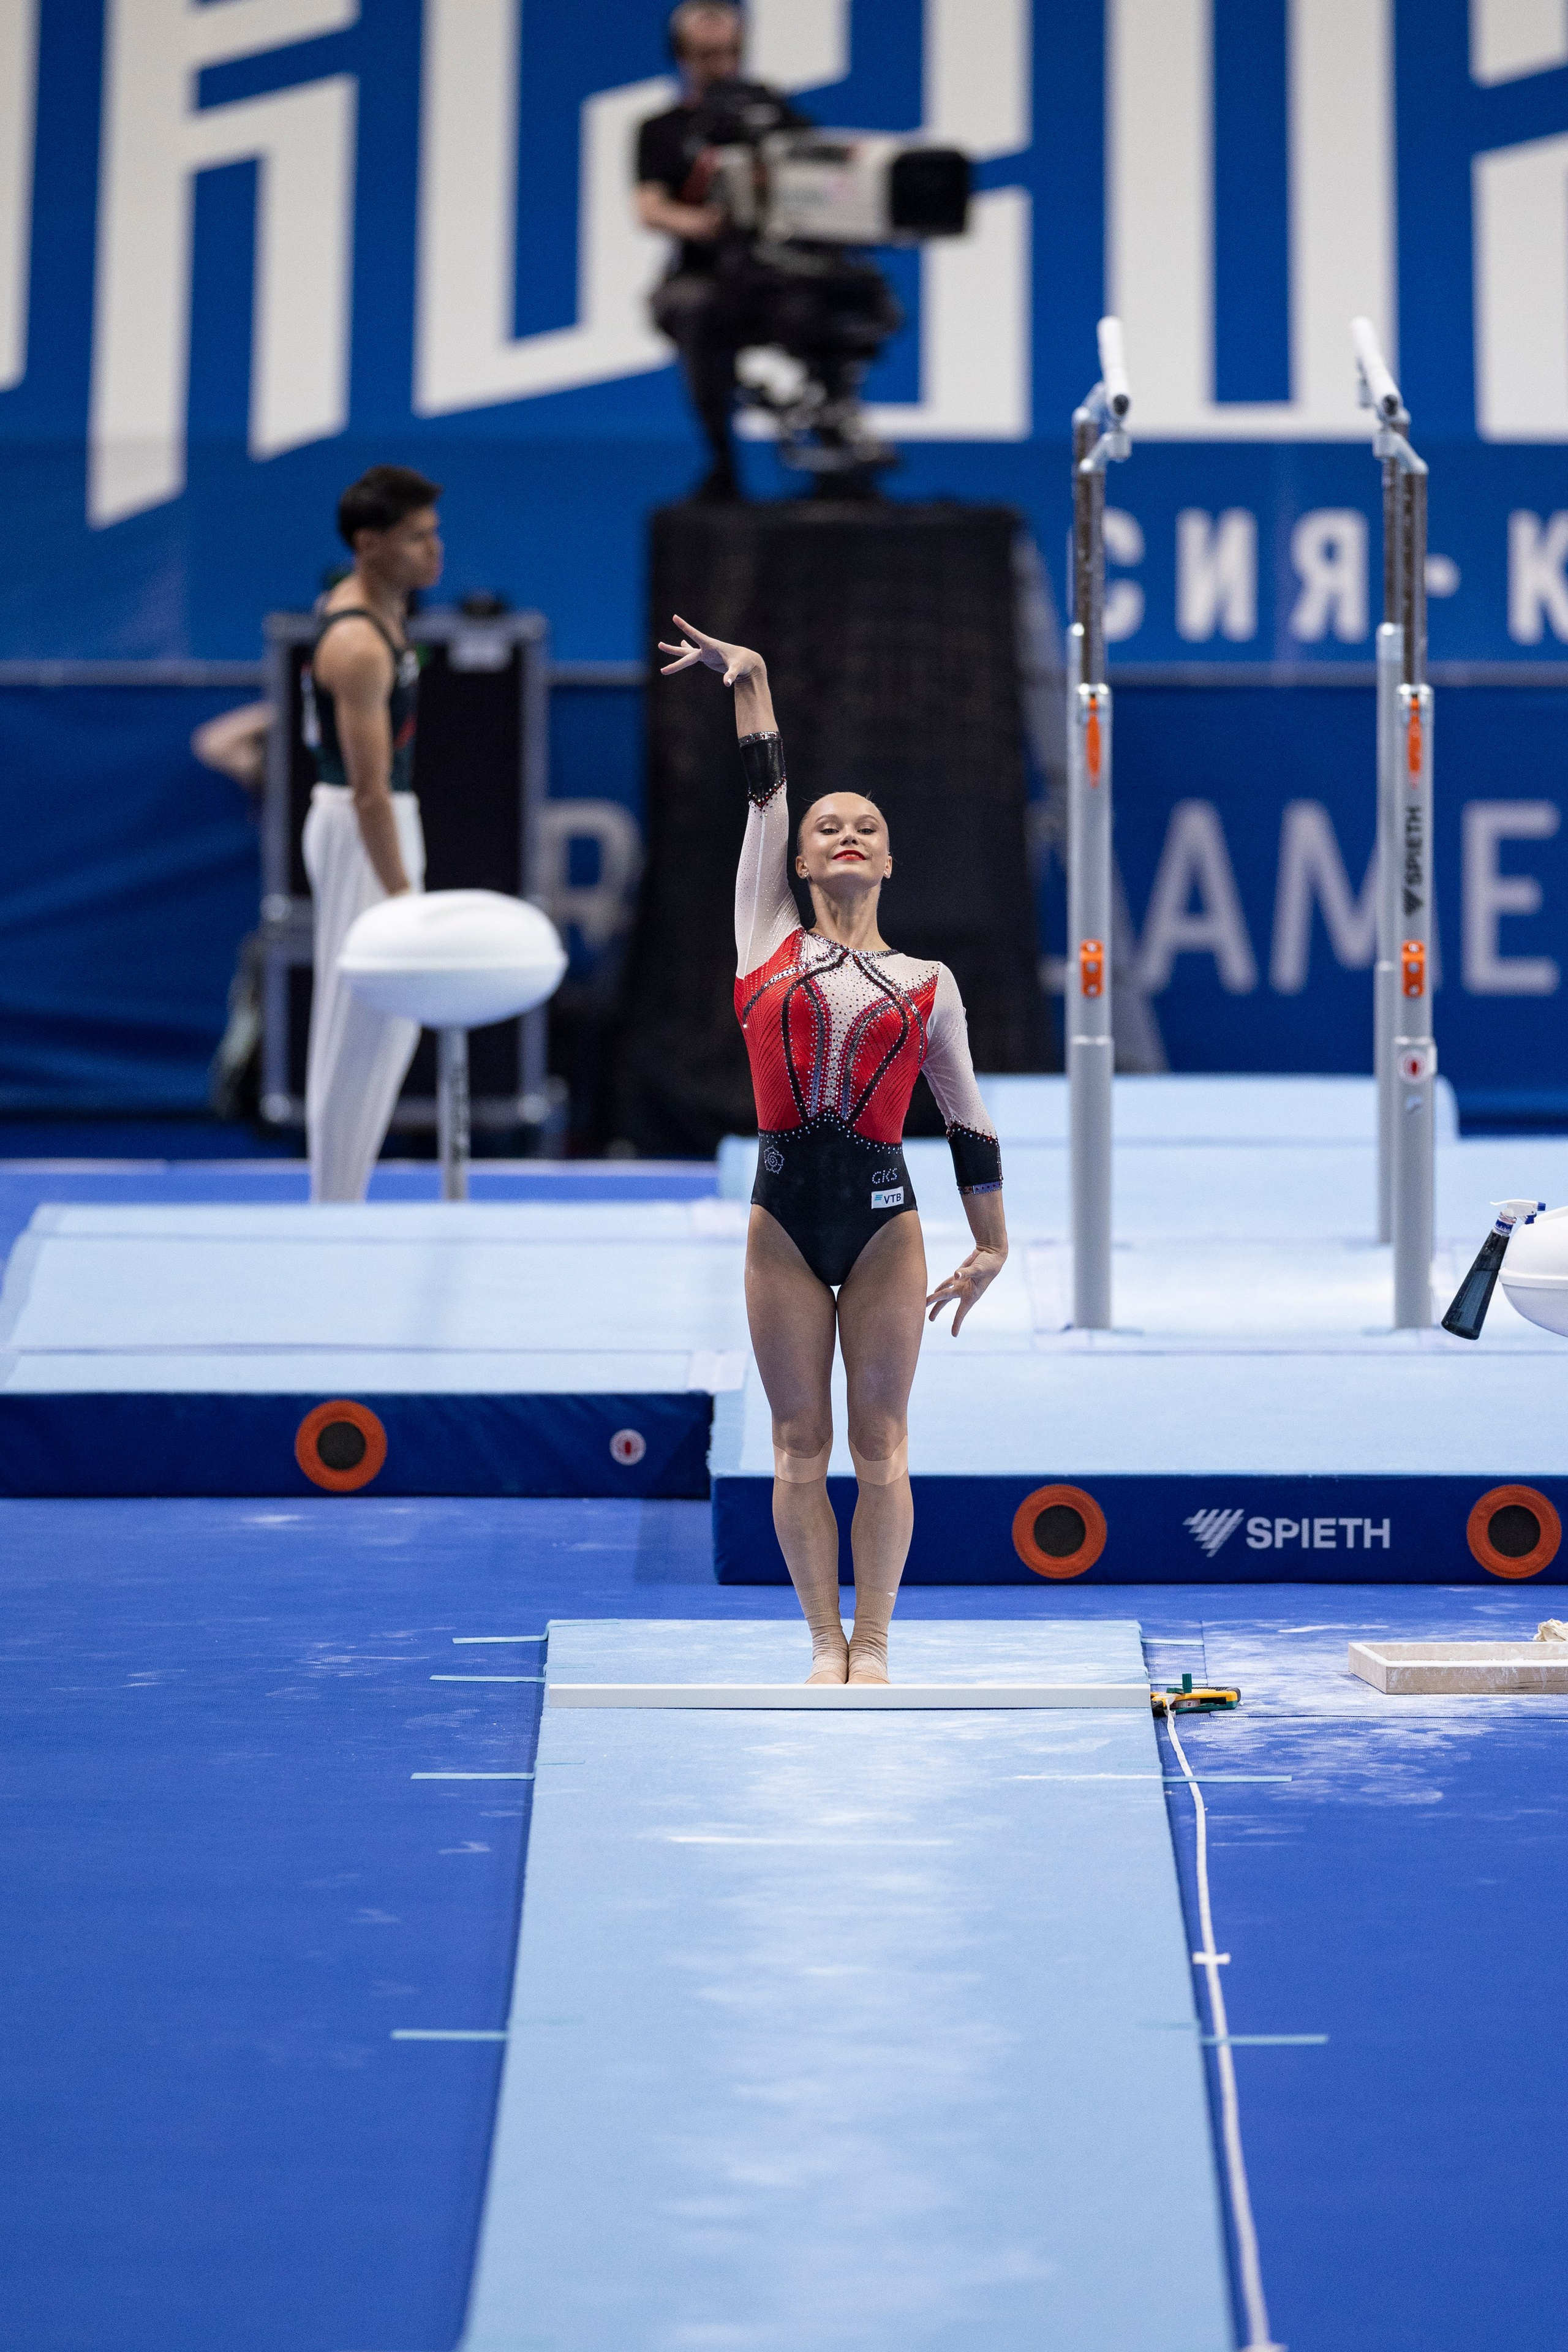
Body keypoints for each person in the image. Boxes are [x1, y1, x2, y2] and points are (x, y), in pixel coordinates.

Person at [659, 616, 1009, 1684]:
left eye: (865, 826)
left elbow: (969, 1119)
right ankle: (821, 1642)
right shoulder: (764, 937)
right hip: (781, 1224)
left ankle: (877, 1645)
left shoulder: (929, 983)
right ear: (801, 861)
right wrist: (751, 679)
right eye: (826, 828)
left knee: (882, 1446)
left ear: (892, 858)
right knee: (798, 1444)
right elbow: (764, 791)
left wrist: (991, 1247)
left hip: (882, 1224)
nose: (844, 834)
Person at [301, 466, 443, 1201]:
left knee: (384, 1027)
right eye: (416, 537)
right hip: (364, 823)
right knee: (360, 1020)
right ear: (368, 544)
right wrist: (399, 896)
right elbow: (366, 788)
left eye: (433, 532)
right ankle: (334, 1201)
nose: (435, 551)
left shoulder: (381, 602)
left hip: (381, 814)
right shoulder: (357, 643)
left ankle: (341, 1193)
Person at [634, 3, 809, 501]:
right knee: (694, 311)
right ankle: (723, 463)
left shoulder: (777, 116)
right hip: (707, 277)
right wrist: (704, 224)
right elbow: (649, 208)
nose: (721, 66)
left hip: (781, 274)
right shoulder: (663, 130)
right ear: (682, 57)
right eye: (707, 55)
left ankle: (838, 449)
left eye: (731, 53)